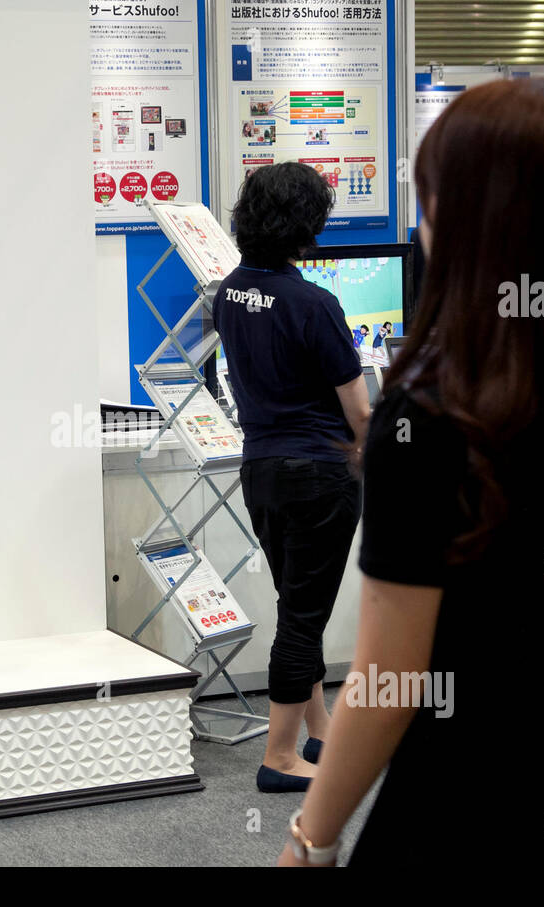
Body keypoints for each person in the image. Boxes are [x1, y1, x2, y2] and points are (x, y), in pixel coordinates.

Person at [276, 77, 544, 868]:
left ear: (468, 216)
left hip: (462, 798)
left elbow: (391, 676)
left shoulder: (425, 417)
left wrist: (312, 839)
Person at [212, 161, 370, 793]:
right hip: (319, 475)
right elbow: (359, 410)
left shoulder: (228, 291)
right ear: (309, 224)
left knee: (294, 606)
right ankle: (279, 759)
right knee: (304, 618)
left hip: (263, 469)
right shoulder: (316, 303)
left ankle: (319, 729)